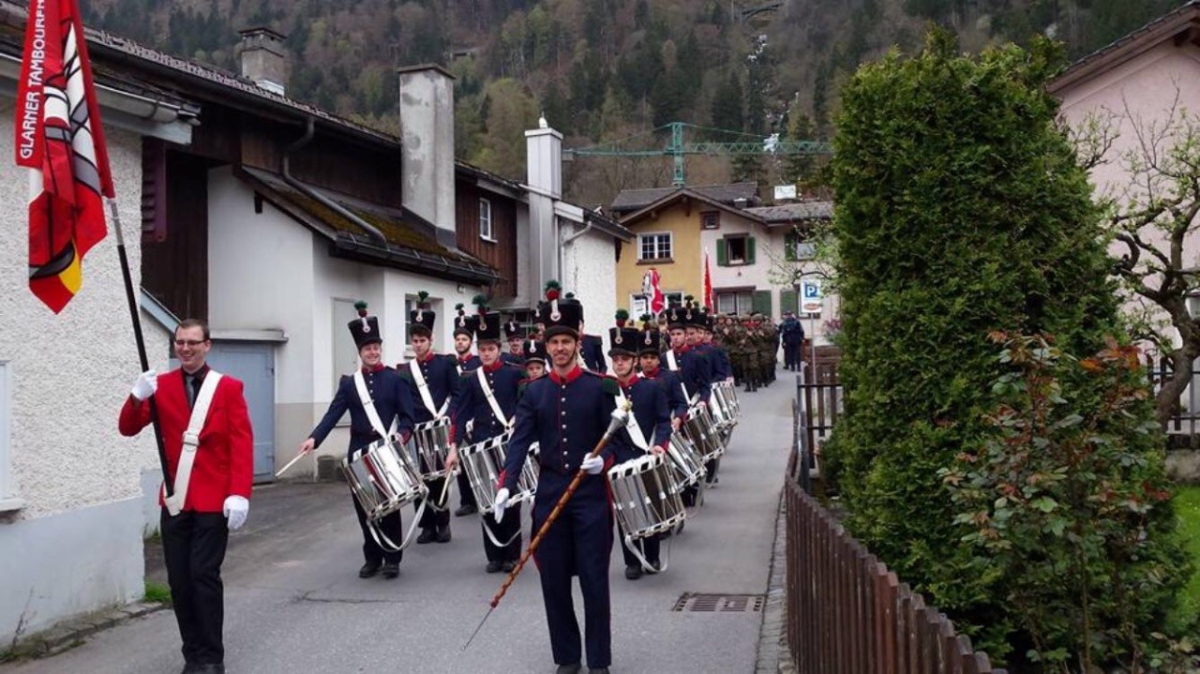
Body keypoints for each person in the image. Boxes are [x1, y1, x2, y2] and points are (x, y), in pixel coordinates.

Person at [494, 281, 630, 674]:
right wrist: (506, 485)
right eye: (553, 342)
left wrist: (604, 462)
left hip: (590, 497)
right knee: (553, 581)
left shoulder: (601, 387)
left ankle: (599, 660)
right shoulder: (533, 391)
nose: (559, 348)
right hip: (551, 491)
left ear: (577, 341)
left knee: (593, 580)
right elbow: (519, 443)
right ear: (546, 344)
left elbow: (623, 443)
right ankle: (568, 657)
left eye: (566, 341)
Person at [119, 318, 253, 674]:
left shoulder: (228, 388)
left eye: (193, 342)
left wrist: (239, 492)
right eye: (180, 342)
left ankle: (211, 657)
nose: (185, 348)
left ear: (207, 345)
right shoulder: (159, 386)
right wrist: (136, 396)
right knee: (179, 581)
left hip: (214, 500)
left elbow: (241, 442)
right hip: (176, 499)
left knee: (203, 576)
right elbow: (127, 428)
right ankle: (192, 654)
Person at [299, 302, 416, 579]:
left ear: (380, 349)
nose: (372, 352)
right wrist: (314, 439)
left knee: (389, 505)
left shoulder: (396, 379)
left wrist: (402, 435)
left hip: (386, 448)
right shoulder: (350, 384)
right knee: (365, 507)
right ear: (360, 352)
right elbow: (332, 414)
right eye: (367, 349)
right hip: (358, 451)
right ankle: (372, 557)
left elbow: (408, 418)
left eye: (376, 347)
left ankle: (392, 558)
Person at [446, 301, 526, 573]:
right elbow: (460, 414)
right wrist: (453, 447)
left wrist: (518, 423)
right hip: (480, 444)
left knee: (510, 499)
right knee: (486, 499)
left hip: (508, 444)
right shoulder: (470, 378)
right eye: (482, 350)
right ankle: (494, 555)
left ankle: (512, 554)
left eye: (491, 349)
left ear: (499, 350)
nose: (487, 353)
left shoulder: (514, 373)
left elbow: (525, 405)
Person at [608, 312, 671, 580]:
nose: (619, 363)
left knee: (648, 504)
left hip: (646, 453)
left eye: (624, 359)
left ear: (634, 361)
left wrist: (661, 446)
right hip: (619, 457)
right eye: (615, 359)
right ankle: (632, 560)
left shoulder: (651, 388)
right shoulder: (607, 391)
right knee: (626, 509)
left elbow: (664, 421)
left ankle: (652, 554)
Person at [398, 290, 458, 544]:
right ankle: (426, 525)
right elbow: (403, 403)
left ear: (431, 339)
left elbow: (457, 394)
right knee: (420, 478)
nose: (418, 344)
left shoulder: (446, 363)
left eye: (422, 340)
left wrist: (450, 419)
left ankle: (443, 523)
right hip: (417, 430)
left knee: (440, 477)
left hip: (440, 428)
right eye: (415, 340)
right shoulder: (405, 370)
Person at [451, 303, 481, 517]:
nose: (460, 342)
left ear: (470, 342)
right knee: (460, 459)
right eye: (458, 339)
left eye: (464, 339)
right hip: (458, 417)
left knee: (478, 460)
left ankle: (482, 495)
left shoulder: (478, 363)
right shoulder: (450, 365)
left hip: (476, 418)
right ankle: (467, 501)